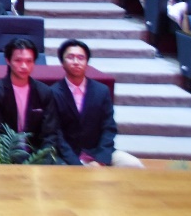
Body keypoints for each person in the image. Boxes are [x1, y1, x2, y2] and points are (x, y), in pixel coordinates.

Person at [51, 39, 142, 168]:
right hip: (67, 155)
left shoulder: (101, 91)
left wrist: (100, 159)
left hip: (97, 151)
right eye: (70, 57)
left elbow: (109, 127)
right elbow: (56, 133)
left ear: (87, 62)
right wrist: (76, 164)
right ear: (62, 62)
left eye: (81, 58)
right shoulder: (53, 92)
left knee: (133, 164)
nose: (76, 62)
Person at [0, 37, 59, 160]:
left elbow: (49, 133)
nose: (24, 66)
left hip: (37, 155)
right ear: (8, 60)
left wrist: (43, 158)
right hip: (3, 155)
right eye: (18, 60)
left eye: (29, 61)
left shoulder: (44, 92)